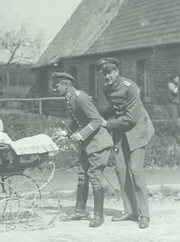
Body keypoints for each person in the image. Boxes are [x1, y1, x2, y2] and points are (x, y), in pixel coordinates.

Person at [97, 58, 154, 229]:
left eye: (109, 72)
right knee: (121, 170)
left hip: (138, 130)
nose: (107, 76)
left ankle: (144, 215)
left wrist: (107, 124)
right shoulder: (106, 88)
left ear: (117, 72)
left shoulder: (131, 87)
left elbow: (130, 118)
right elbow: (115, 110)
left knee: (135, 171)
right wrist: (96, 116)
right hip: (122, 132)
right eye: (104, 73)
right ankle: (130, 211)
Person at [52, 72, 113, 228]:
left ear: (66, 85)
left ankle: (98, 216)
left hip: (97, 142)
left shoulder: (80, 97)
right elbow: (77, 119)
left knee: (93, 176)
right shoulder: (70, 98)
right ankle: (80, 210)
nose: (55, 88)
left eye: (57, 85)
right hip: (88, 142)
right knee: (82, 175)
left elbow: (96, 119)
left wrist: (80, 134)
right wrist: (67, 131)